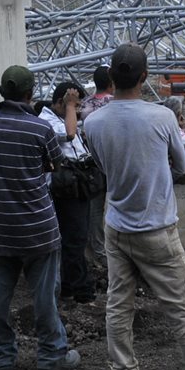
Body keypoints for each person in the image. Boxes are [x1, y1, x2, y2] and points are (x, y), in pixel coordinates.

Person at [83, 44, 185, 370]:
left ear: (111, 78)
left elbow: (102, 167)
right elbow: (179, 163)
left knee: (118, 304)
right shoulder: (161, 116)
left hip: (117, 226)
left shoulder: (93, 122)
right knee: (181, 309)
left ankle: (123, 368)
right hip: (157, 228)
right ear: (144, 77)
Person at [0, 65, 80, 370]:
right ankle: (52, 357)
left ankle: (2, 358)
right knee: (45, 298)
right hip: (38, 230)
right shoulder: (40, 129)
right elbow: (57, 162)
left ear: (1, 93)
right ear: (30, 94)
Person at [39, 81, 97, 303]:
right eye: (74, 104)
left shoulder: (64, 117)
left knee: (77, 237)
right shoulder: (46, 121)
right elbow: (70, 134)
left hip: (77, 184)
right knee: (73, 238)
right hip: (64, 186)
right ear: (62, 102)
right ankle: (78, 289)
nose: (78, 109)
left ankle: (69, 285)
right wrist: (71, 106)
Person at [80, 65, 114, 272]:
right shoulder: (117, 104)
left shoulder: (84, 106)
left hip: (91, 166)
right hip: (116, 164)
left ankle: (97, 252)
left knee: (95, 211)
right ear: (112, 83)